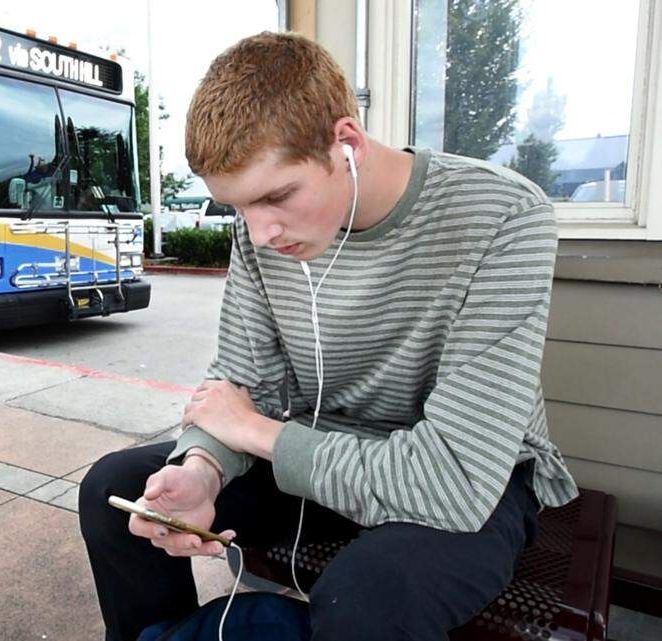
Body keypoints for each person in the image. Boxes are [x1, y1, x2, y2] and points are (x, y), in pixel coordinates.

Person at [79, 32, 579, 641]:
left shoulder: (502, 216)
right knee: (116, 490)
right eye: (238, 208)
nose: (261, 233)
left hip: (470, 479)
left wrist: (257, 433)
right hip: (321, 453)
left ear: (347, 143)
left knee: (365, 598)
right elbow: (242, 388)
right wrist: (203, 468)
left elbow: (456, 480)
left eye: (278, 196)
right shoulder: (261, 238)